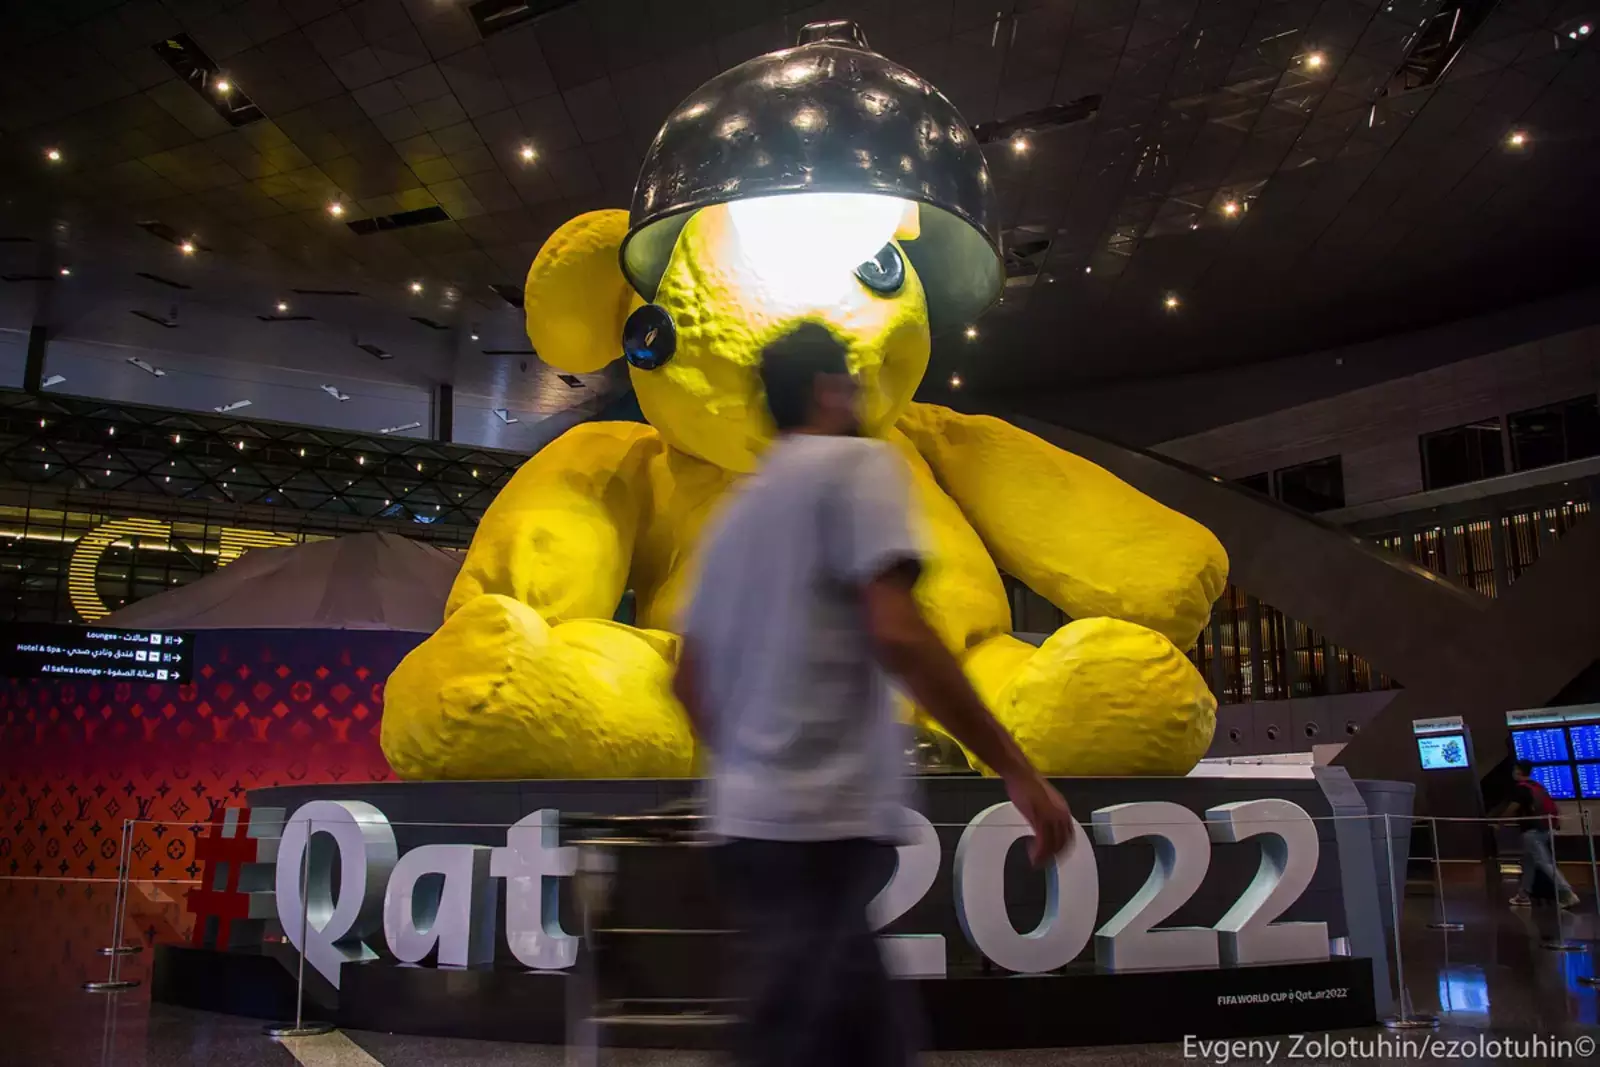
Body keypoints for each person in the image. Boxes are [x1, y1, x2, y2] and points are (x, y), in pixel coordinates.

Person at [672, 322, 1074, 1067]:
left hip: (747, 833)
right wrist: (1016, 768)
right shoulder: (858, 465)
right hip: (822, 830)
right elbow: (898, 632)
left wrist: (756, 766)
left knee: (840, 1037)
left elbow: (688, 681)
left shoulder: (735, 513)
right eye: (851, 383)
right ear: (829, 390)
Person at [1505, 760, 1579, 908]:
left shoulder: (1521, 789)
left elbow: (1512, 808)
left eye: (1515, 769)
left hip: (1531, 832)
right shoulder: (1537, 786)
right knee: (1529, 863)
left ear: (1519, 771)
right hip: (1545, 829)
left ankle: (1567, 893)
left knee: (1544, 862)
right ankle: (1523, 895)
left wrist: (1499, 821)